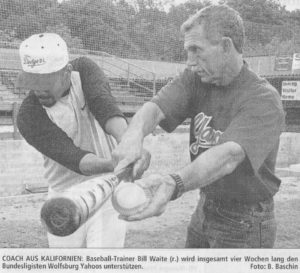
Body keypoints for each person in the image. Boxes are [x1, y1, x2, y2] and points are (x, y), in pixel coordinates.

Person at [112, 5, 285, 248]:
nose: (190, 62)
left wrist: (174, 183)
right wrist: (133, 137)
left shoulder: (263, 98)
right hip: (206, 205)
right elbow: (155, 107)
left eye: (196, 50)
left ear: (226, 46)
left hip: (246, 220)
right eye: (187, 51)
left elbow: (228, 156)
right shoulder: (197, 78)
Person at [16, 33, 149, 248]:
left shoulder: (84, 69)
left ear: (66, 72)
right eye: (33, 81)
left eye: (45, 81)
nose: (38, 89)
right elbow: (75, 158)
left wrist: (129, 146)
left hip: (106, 190)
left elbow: (104, 105)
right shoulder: (28, 115)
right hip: (63, 194)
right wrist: (119, 163)